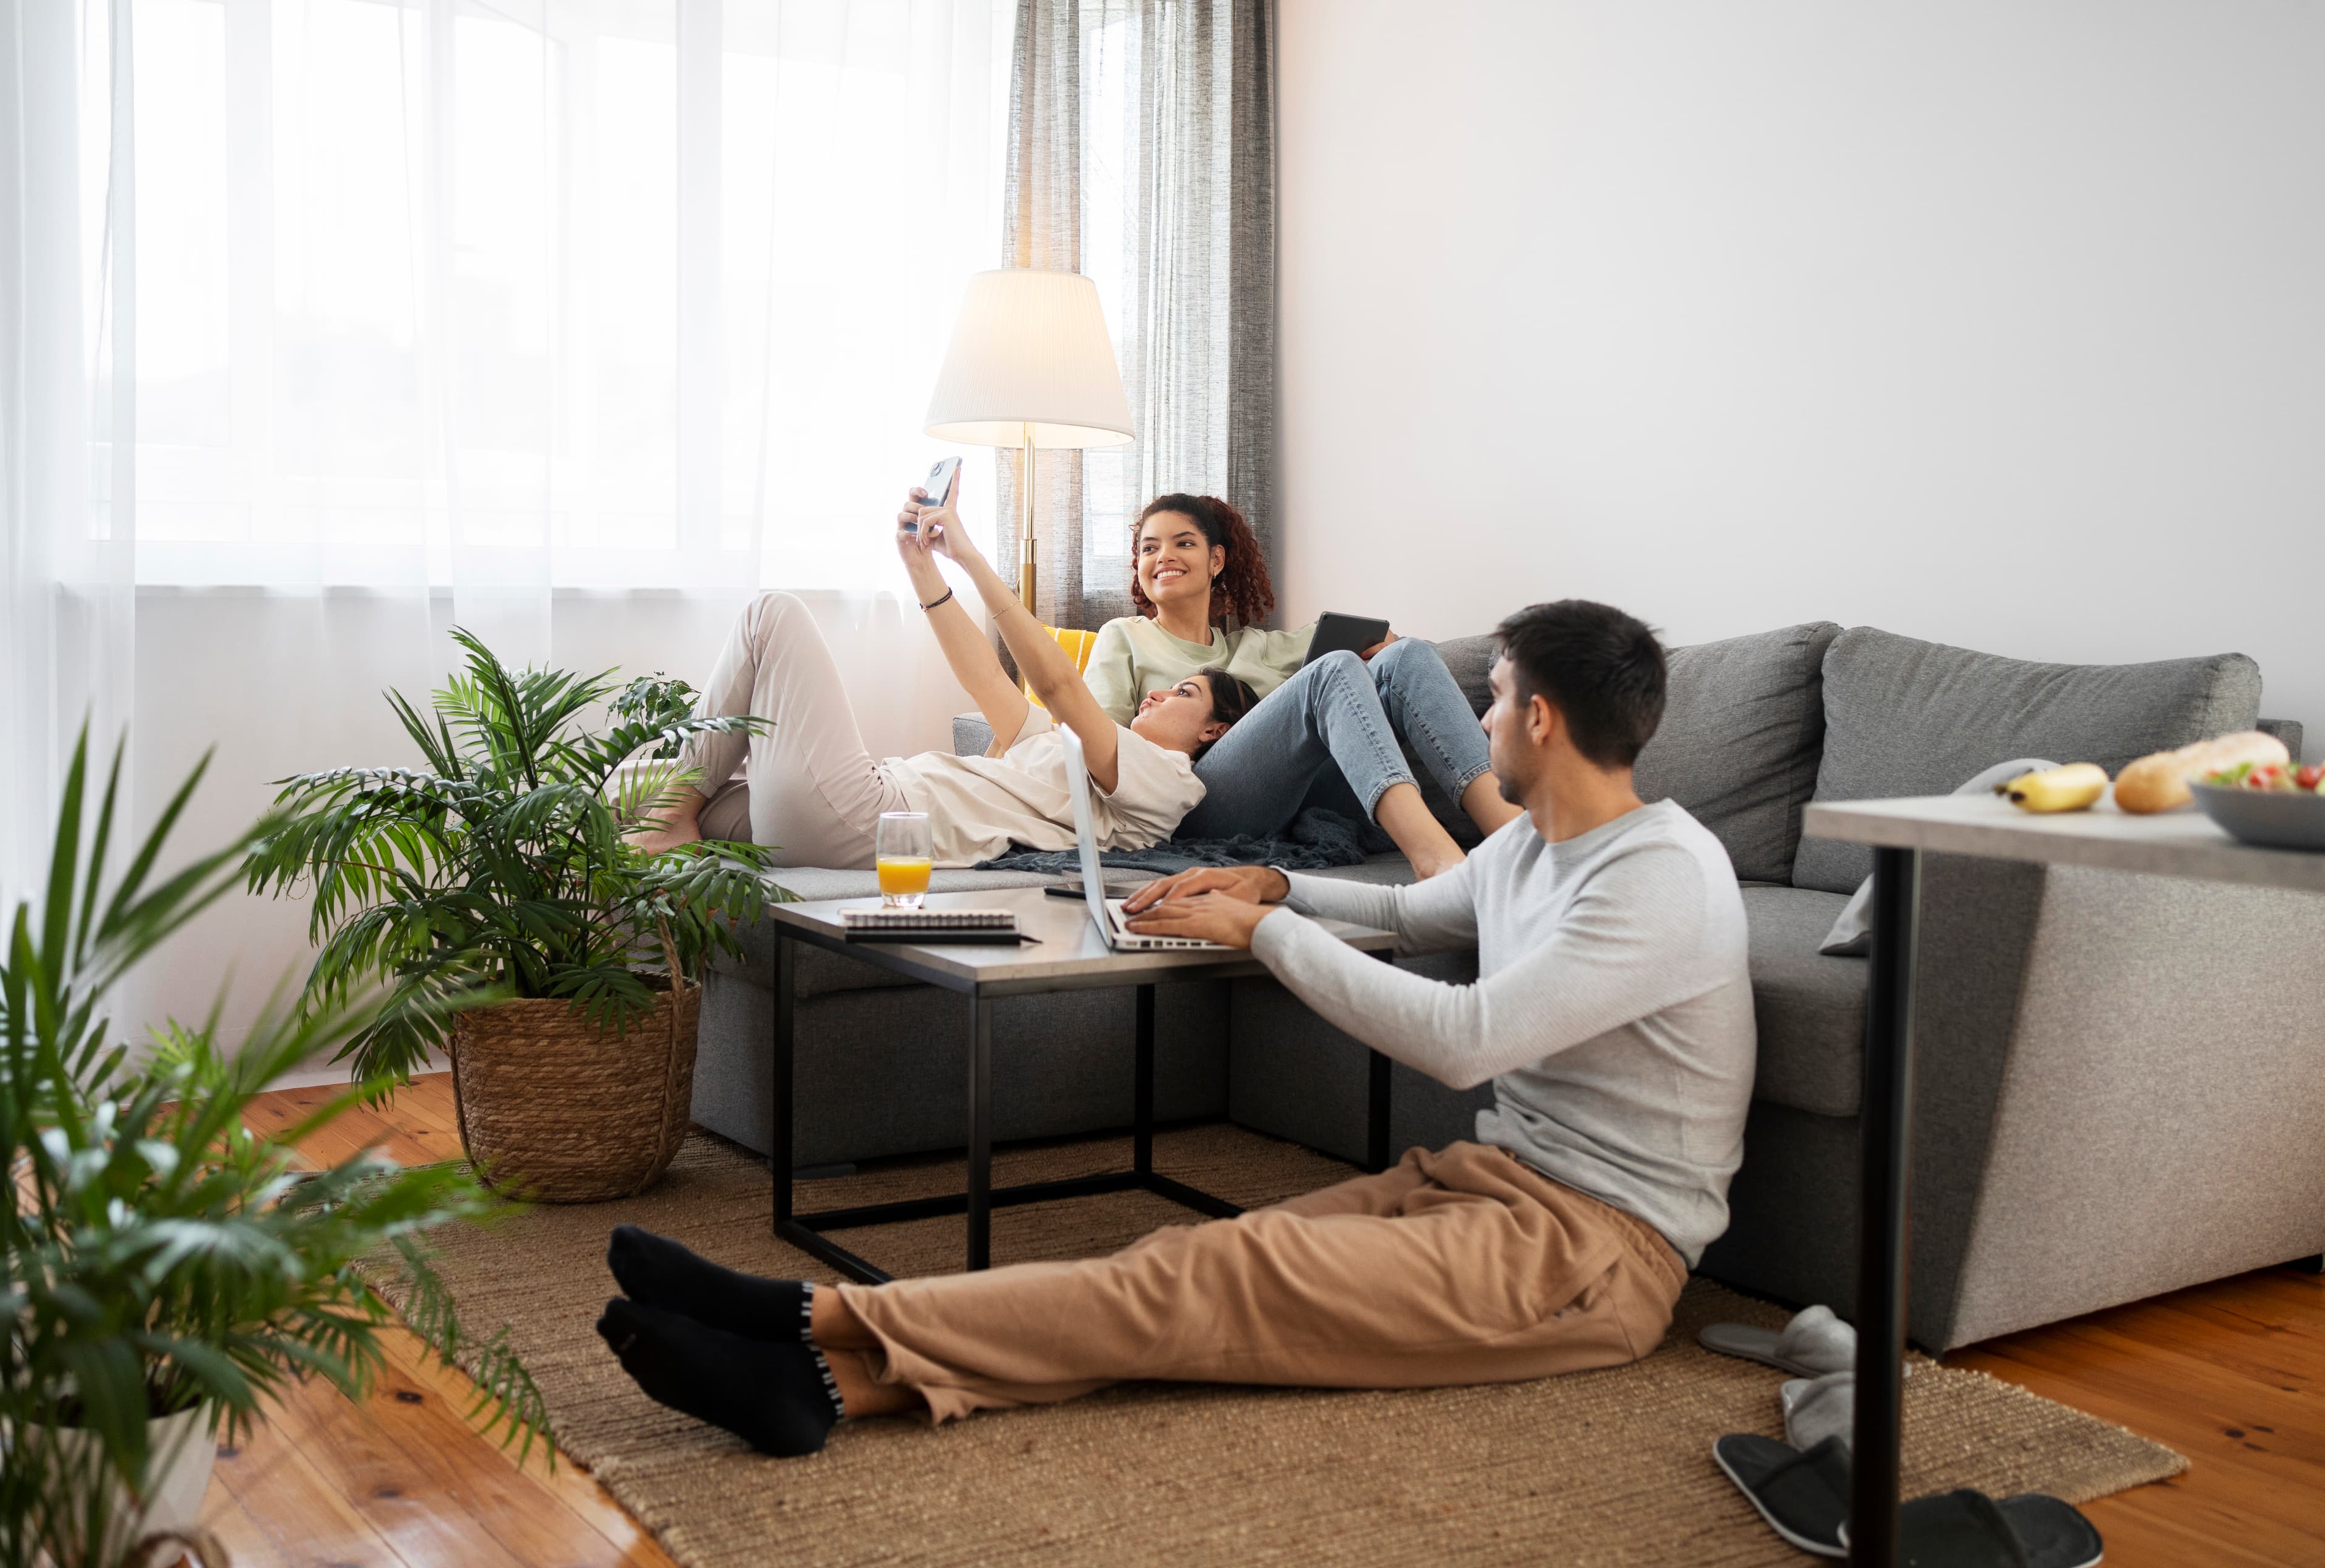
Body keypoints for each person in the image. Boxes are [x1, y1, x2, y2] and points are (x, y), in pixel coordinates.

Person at [593, 599, 1757, 1457]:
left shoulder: (1660, 875)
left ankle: (809, 1314)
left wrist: (1264, 940)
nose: (1479, 718)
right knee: (1179, 1271)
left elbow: (1465, 1039)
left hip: (1599, 1257)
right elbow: (1408, 907)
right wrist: (1276, 887)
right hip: (1490, 1182)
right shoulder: (1531, 848)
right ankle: (832, 1389)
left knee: (1223, 1276)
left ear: (1539, 720)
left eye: (1491, 699)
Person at [630, 472, 1258, 869]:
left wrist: (970, 554)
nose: (1152, 697)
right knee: (626, 787)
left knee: (771, 615)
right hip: (852, 805)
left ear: (1215, 732)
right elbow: (986, 677)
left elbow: (1061, 684)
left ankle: (667, 823)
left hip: (873, 818)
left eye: (1182, 691)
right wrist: (921, 565)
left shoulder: (1166, 780)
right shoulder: (1064, 751)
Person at [1083, 494, 1521, 880]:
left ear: (1216, 560)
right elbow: (1101, 744)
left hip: (1297, 797)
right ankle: (1435, 859)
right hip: (1191, 802)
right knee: (1332, 670)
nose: (1163, 556)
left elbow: (1394, 652)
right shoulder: (1123, 636)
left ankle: (1518, 842)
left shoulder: (1264, 646)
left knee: (1408, 655)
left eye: (1183, 543)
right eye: (1149, 548)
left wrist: (1388, 644)